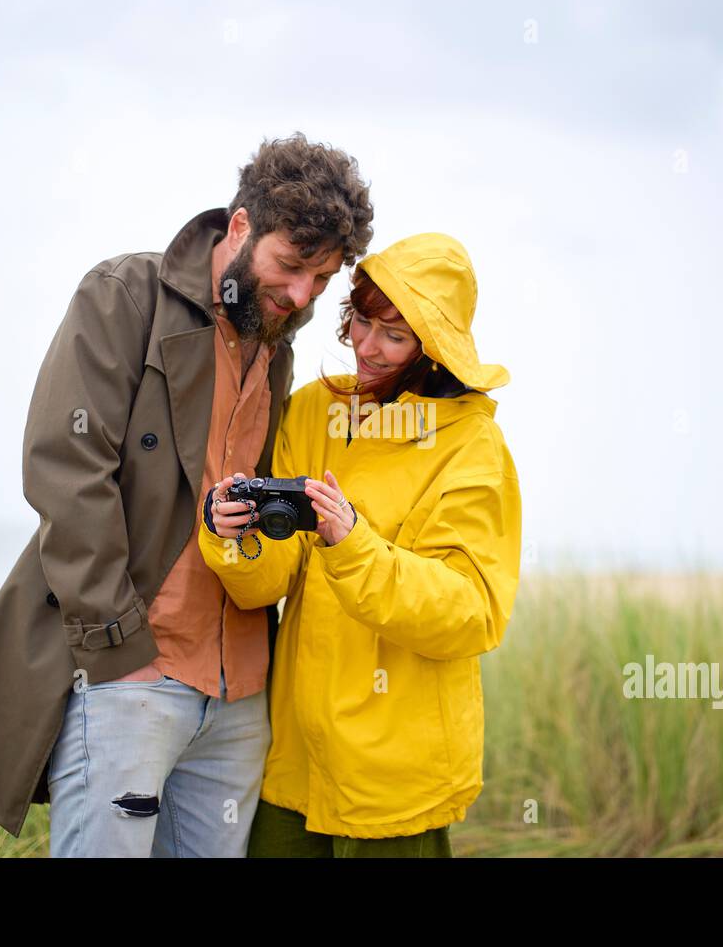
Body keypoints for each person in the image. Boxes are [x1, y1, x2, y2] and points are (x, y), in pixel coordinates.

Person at [0, 133, 374, 858]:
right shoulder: (125, 296)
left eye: (322, 279)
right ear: (241, 226)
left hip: (242, 698)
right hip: (135, 678)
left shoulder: (276, 344)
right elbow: (65, 465)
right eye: (291, 267)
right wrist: (119, 644)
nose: (302, 295)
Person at [199, 232, 521, 856]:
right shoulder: (315, 410)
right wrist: (235, 536)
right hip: (293, 766)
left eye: (394, 336)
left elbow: (471, 614)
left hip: (397, 784)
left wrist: (352, 545)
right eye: (361, 321)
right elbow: (271, 582)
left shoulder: (473, 450)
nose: (368, 347)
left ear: (434, 349)